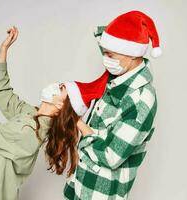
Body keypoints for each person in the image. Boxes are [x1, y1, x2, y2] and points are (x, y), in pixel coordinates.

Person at [0, 26, 110, 200]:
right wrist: (4, 49)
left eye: (60, 88)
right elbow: (2, 93)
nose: (54, 85)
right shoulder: (32, 114)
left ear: (60, 106)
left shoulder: (27, 133)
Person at [63, 10, 160, 200]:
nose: (105, 59)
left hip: (101, 192)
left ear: (132, 54)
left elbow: (111, 155)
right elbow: (110, 40)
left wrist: (78, 122)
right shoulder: (119, 73)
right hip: (80, 182)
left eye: (110, 54)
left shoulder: (141, 101)